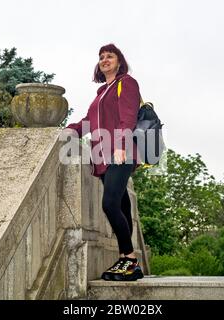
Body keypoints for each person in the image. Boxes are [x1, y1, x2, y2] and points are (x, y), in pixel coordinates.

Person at [61, 43, 144, 281]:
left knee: (109, 204)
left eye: (110, 56)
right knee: (122, 206)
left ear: (119, 62)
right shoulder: (101, 93)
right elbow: (89, 121)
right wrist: (72, 130)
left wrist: (120, 145)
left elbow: (127, 117)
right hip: (103, 156)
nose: (105, 59)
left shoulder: (126, 83)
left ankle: (128, 258)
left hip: (120, 152)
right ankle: (130, 264)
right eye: (101, 57)